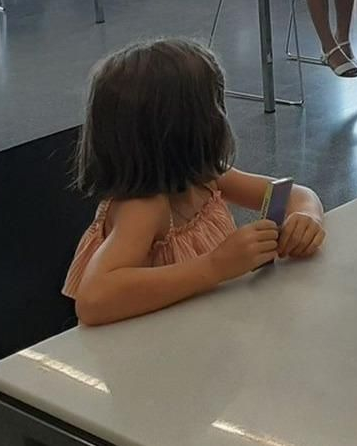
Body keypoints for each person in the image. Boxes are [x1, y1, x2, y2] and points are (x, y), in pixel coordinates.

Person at [63, 39, 327, 326]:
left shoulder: (205, 178)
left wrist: (305, 215)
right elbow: (93, 299)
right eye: (215, 107)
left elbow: (294, 194)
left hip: (204, 330)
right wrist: (215, 266)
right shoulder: (145, 207)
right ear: (186, 130)